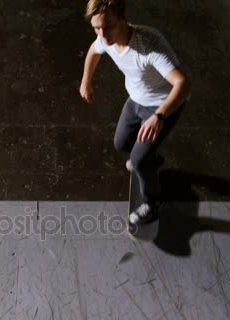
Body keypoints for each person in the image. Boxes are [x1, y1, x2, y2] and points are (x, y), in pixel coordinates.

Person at [80, 0, 190, 225]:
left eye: (108, 26)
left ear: (123, 17)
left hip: (163, 105)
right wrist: (86, 81)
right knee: (121, 144)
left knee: (138, 161)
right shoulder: (105, 38)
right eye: (96, 28)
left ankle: (152, 203)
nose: (103, 34)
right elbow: (94, 50)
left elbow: (183, 83)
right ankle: (152, 157)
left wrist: (159, 116)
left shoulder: (149, 44)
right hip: (136, 100)